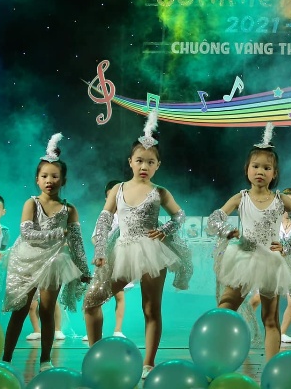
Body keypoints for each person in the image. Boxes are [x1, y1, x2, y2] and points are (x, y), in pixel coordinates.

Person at [84, 109, 192, 380]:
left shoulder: (159, 192)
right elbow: (104, 220)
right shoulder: (118, 189)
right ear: (130, 162)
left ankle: (148, 363)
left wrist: (165, 229)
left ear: (158, 165)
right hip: (122, 250)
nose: (144, 166)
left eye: (150, 162)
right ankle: (94, 355)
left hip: (152, 252)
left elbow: (179, 215)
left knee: (151, 308)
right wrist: (100, 250)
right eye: (140, 160)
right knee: (92, 301)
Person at [208, 123, 291, 362]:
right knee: (225, 307)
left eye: (267, 167)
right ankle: (217, 359)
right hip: (243, 258)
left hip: (270, 262)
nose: (260, 171)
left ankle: (272, 366)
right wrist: (227, 231)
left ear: (274, 173)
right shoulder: (240, 198)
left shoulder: (281, 199)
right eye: (255, 166)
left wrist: (288, 247)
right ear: (247, 169)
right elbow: (214, 219)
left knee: (270, 318)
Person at [2, 133, 91, 372]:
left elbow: (77, 243)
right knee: (20, 310)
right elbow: (26, 233)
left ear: (63, 180)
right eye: (44, 176)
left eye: (54, 176)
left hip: (53, 262)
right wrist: (56, 234)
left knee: (47, 310)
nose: (49, 180)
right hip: (27, 259)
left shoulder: (68, 209)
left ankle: (45, 360)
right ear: (37, 179)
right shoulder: (31, 203)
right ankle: (6, 358)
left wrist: (84, 270)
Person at [247, 186, 291, 344]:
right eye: (285, 203)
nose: (287, 207)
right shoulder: (272, 222)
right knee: (257, 298)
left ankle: (281, 333)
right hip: (270, 266)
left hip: (290, 268)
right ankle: (244, 326)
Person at [82, 179, 133, 342]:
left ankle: (118, 330)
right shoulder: (105, 216)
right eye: (110, 196)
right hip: (105, 261)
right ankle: (94, 329)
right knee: (96, 296)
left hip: (122, 261)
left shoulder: (128, 215)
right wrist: (102, 249)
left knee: (119, 296)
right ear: (106, 198)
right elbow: (95, 237)